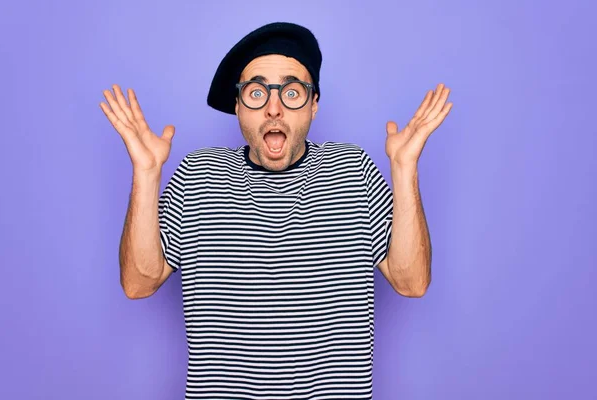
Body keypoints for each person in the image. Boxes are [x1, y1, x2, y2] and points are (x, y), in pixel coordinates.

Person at [100, 21, 452, 400]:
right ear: (237, 106)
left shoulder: (354, 170)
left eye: (292, 91)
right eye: (256, 92)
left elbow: (412, 282)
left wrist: (404, 169)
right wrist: (147, 173)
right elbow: (138, 283)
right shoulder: (196, 175)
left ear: (314, 105)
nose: (273, 108)